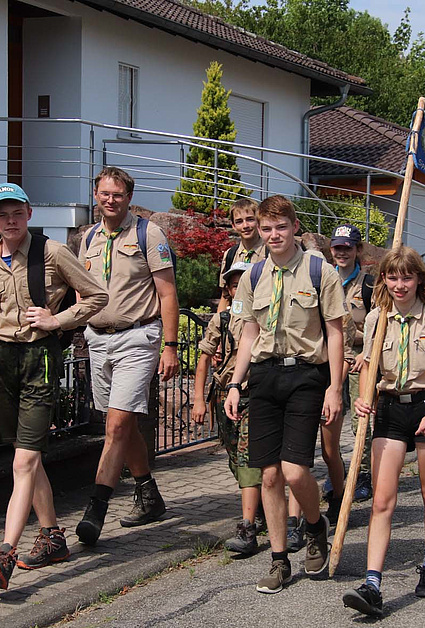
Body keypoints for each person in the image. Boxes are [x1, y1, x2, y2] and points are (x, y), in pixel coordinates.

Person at [0, 183, 109, 590]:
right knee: (29, 455)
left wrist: (58, 320)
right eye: (1, 214)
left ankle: (4, 552)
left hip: (39, 358)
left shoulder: (52, 252)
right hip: (1, 361)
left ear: (28, 213)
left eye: (16, 212)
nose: (10, 220)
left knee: (23, 462)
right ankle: (54, 538)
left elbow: (97, 295)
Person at [224, 194, 346, 594]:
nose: (274, 235)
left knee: (295, 471)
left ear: (295, 227)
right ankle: (279, 560)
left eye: (281, 227)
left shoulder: (319, 271)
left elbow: (335, 332)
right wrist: (235, 382)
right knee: (270, 474)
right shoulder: (252, 275)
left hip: (306, 376)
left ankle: (314, 526)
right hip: (263, 377)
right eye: (266, 228)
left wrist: (334, 387)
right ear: (258, 232)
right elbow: (248, 333)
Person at [342, 247, 425, 617]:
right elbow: (367, 364)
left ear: (419, 280)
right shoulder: (376, 319)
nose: (399, 285)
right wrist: (364, 397)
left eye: (406, 277)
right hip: (391, 410)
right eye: (392, 277)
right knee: (383, 500)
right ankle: (373, 582)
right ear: (384, 280)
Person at [75, 167, 180, 544]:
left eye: (117, 194)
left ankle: (96, 508)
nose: (110, 200)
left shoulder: (148, 233)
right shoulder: (87, 237)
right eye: (104, 193)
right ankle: (148, 493)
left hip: (138, 337)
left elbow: (167, 293)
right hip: (99, 340)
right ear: (96, 194)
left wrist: (171, 346)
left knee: (115, 427)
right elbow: (81, 290)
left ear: (128, 197)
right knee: (125, 424)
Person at [192, 261, 264, 554]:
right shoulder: (221, 320)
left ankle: (247, 526)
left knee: (248, 459)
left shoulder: (265, 314)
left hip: (255, 394)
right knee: (234, 458)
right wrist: (199, 398)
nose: (240, 289)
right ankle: (256, 508)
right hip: (225, 396)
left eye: (245, 282)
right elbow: (204, 358)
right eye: (234, 285)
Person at [329, 224, 374, 502]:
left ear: (358, 250)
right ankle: (335, 472)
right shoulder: (323, 278)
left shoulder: (369, 285)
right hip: (331, 360)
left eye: (348, 247)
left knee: (361, 420)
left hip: (358, 359)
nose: (342, 253)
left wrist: (364, 354)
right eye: (337, 248)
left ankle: (362, 473)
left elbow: (378, 324)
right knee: (330, 417)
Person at [217, 199, 266, 312]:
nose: (245, 225)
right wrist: (220, 324)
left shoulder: (269, 252)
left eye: (250, 219)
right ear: (233, 226)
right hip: (236, 320)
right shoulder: (230, 255)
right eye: (239, 221)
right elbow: (225, 297)